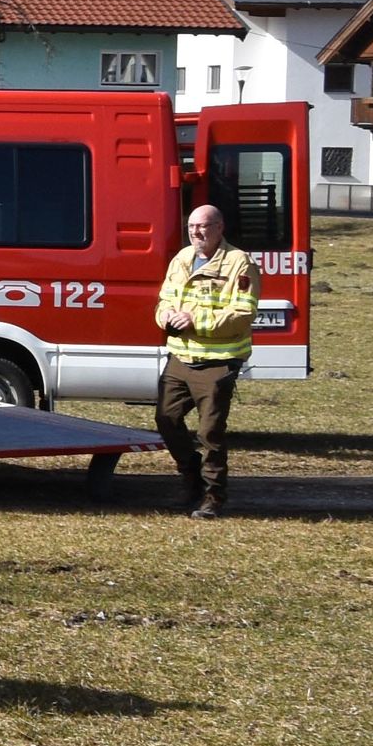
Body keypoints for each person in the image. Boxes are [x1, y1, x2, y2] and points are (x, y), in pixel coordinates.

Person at [154, 199, 258, 519]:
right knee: (166, 419)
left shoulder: (240, 263)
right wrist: (166, 317)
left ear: (219, 228)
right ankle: (190, 480)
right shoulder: (182, 259)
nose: (196, 232)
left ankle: (214, 497)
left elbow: (243, 313)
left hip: (219, 360)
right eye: (192, 227)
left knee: (210, 431)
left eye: (203, 226)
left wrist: (195, 321)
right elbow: (164, 301)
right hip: (181, 356)